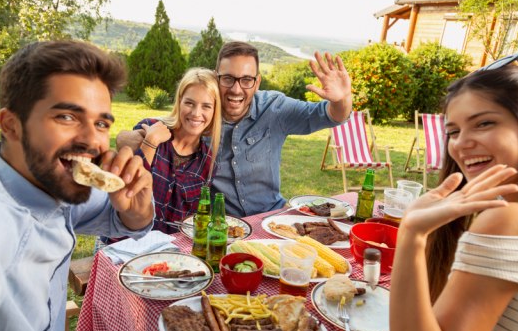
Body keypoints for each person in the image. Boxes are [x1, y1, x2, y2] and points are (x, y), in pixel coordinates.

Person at [0, 40, 154, 331]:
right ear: (11, 124)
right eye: (67, 116)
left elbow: (125, 218)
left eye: (101, 123)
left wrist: (136, 208)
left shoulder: (51, 182)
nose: (94, 142)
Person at [335, 58, 518, 331]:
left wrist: (413, 234)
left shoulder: (507, 221)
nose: (461, 143)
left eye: (484, 123)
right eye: (453, 131)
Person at [118, 41, 353, 217]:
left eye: (246, 80)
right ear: (217, 77)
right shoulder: (205, 116)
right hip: (223, 226)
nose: (236, 90)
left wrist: (341, 99)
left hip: (270, 218)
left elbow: (330, 116)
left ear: (257, 82)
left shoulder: (275, 108)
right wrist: (138, 137)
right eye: (228, 79)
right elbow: (173, 122)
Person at [132, 67, 221, 233]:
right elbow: (129, 187)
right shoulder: (151, 129)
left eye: (206, 106)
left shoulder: (208, 161)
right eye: (189, 103)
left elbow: (194, 220)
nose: (196, 113)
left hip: (169, 249)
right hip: (124, 241)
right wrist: (150, 142)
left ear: (215, 110)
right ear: (179, 101)